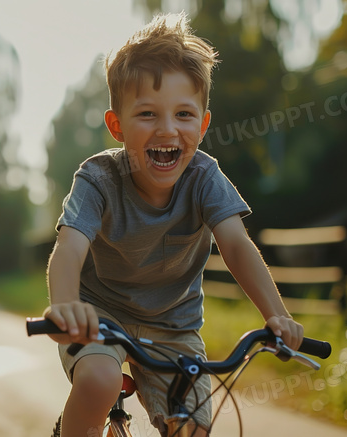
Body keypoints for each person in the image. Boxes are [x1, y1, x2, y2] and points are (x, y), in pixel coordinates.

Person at [42, 12, 304, 437]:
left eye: (184, 115)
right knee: (99, 381)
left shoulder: (205, 178)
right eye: (147, 114)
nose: (168, 129)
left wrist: (277, 316)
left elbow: (236, 245)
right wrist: (65, 306)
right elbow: (69, 247)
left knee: (192, 428)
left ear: (202, 124)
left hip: (173, 325)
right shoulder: (98, 179)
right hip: (98, 315)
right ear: (117, 126)